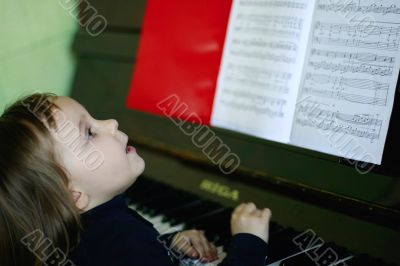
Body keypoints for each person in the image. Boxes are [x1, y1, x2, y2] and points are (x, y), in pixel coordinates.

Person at [0, 93, 272, 266]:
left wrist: (164, 247)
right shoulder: (124, 239)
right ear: (74, 197)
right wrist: (249, 244)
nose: (111, 123)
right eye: (90, 133)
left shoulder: (75, 237)